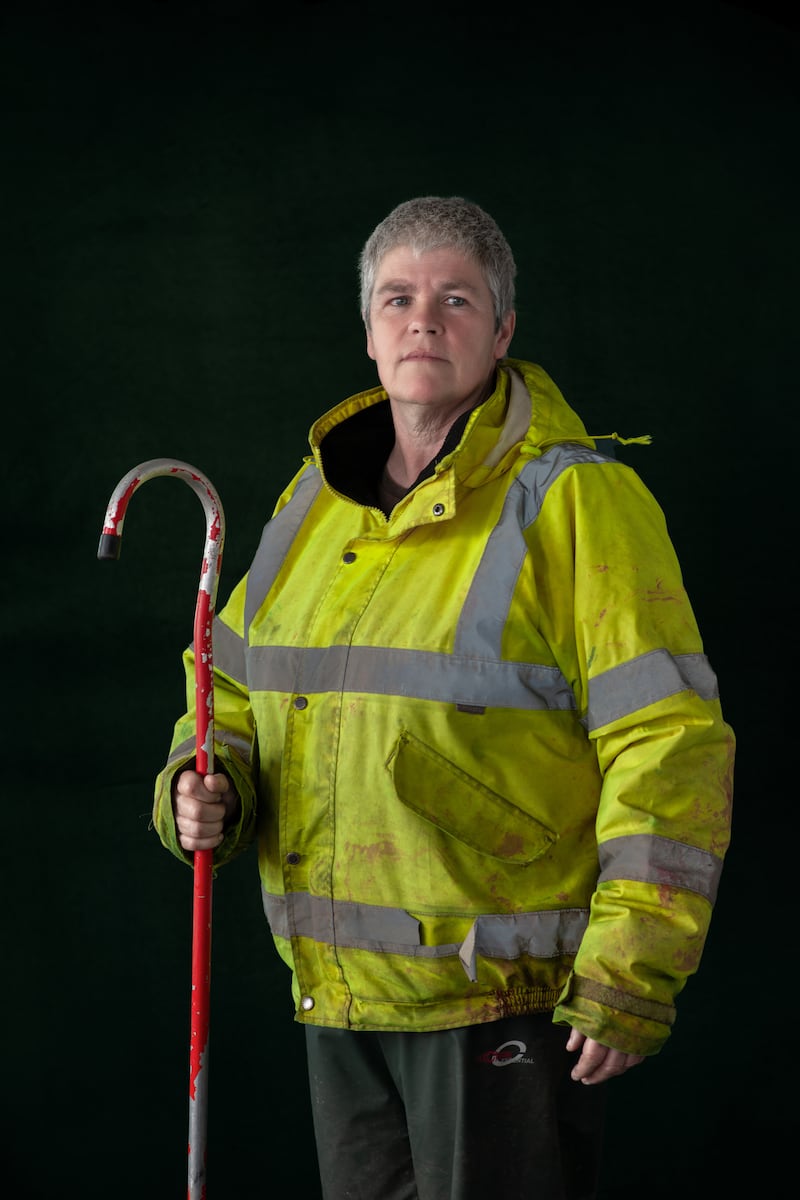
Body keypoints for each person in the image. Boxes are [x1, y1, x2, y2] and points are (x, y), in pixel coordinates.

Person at [153, 195, 735, 1200]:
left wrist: (630, 968)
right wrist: (205, 785)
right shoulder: (311, 501)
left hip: (500, 996)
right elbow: (230, 693)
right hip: (336, 993)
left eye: (455, 298)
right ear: (369, 332)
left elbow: (667, 740)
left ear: (502, 330)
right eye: (398, 297)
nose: (424, 318)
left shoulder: (574, 500)